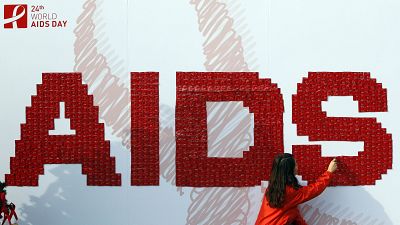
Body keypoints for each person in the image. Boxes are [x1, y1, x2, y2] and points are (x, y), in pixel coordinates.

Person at [255, 153, 337, 225]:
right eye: (295, 164)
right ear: (290, 170)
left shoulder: (272, 188)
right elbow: (314, 190)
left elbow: (292, 213)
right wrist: (329, 172)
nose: (297, 166)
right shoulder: (290, 191)